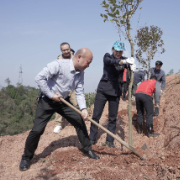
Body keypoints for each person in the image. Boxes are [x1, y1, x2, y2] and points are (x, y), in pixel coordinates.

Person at [19, 48, 100, 171]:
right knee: (37, 130)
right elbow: (39, 78)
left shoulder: (80, 72)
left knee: (78, 119)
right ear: (79, 58)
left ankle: (87, 149)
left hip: (63, 100)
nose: (88, 65)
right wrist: (51, 95)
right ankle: (26, 157)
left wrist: (83, 108)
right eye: (88, 62)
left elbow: (79, 91)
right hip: (47, 100)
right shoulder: (58, 65)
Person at [89, 40, 136, 148]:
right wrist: (123, 62)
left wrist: (132, 68)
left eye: (120, 51)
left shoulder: (125, 60)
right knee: (96, 115)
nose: (118, 53)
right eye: (116, 51)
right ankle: (91, 138)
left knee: (113, 117)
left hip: (115, 91)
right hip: (103, 90)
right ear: (113, 49)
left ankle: (109, 141)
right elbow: (110, 61)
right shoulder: (107, 57)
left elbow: (128, 74)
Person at [53, 43, 79, 133]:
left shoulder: (75, 59)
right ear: (61, 51)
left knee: (75, 104)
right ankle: (58, 124)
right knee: (59, 105)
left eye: (67, 49)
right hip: (61, 87)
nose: (66, 51)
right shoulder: (58, 59)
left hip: (72, 86)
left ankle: (77, 121)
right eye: (64, 50)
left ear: (70, 49)